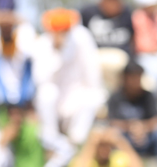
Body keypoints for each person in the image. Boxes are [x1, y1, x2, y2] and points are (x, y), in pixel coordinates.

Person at [33, 8, 106, 147]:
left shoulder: (82, 38)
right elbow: (40, 80)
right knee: (47, 93)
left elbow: (92, 74)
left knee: (94, 96)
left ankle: (75, 142)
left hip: (76, 95)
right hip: (55, 101)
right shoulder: (43, 44)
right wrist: (57, 51)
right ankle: (51, 140)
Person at [106, 61, 157, 167]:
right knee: (113, 134)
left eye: (138, 77)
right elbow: (112, 122)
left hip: (147, 138)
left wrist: (142, 128)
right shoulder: (115, 97)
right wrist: (132, 127)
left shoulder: (148, 96)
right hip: (125, 140)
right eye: (132, 77)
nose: (135, 81)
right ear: (124, 78)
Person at [0, 0, 38, 108]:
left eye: (9, 26)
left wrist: (22, 22)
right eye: (3, 26)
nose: (6, 28)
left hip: (23, 97)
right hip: (0, 100)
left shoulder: (20, 40)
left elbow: (32, 51)